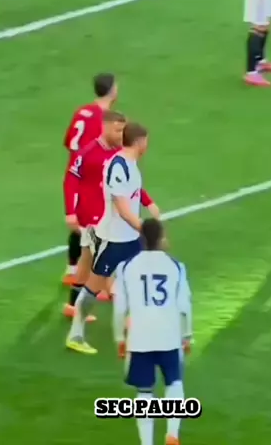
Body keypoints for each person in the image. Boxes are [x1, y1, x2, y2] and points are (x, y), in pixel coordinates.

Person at [66, 122, 150, 354]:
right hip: (112, 239)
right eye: (146, 140)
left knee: (138, 281)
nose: (147, 145)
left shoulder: (131, 164)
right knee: (93, 287)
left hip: (131, 238)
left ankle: (138, 328)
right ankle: (75, 335)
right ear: (139, 141)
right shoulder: (118, 166)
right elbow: (121, 208)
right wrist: (144, 228)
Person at [113, 218, 192, 445]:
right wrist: (187, 335)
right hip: (169, 335)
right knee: (174, 382)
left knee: (144, 392)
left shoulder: (126, 267)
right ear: (161, 238)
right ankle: (172, 433)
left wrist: (120, 338)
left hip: (140, 337)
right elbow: (185, 305)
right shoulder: (176, 267)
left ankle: (147, 443)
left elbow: (120, 309)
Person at [63, 110, 127, 319]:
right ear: (105, 127)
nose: (121, 135)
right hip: (91, 216)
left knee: (96, 259)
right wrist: (70, 212)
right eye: (117, 130)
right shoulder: (88, 153)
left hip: (110, 215)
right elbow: (70, 181)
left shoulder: (119, 152)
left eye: (123, 131)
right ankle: (77, 304)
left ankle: (91, 296)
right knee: (93, 260)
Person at [62, 73, 118, 286]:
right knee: (95, 227)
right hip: (90, 178)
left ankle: (72, 270)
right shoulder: (104, 119)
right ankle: (99, 281)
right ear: (112, 90)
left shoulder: (82, 112)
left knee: (80, 224)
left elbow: (69, 142)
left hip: (75, 173)